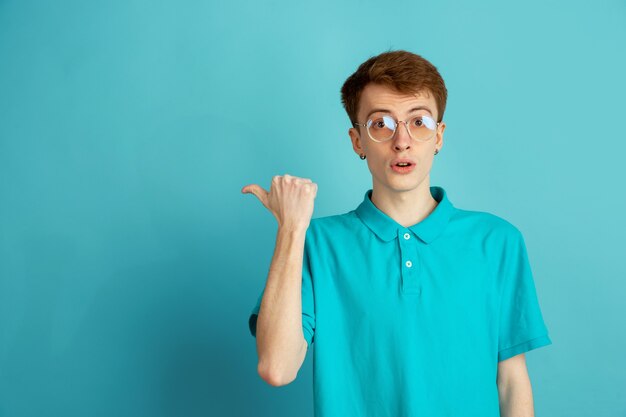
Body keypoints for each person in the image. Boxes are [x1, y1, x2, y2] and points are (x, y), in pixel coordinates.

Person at [241, 49, 552, 417]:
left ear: (439, 135)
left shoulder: (497, 241)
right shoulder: (317, 244)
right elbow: (276, 367)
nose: (402, 141)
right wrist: (292, 228)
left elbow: (512, 382)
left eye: (418, 122)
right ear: (357, 140)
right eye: (381, 125)